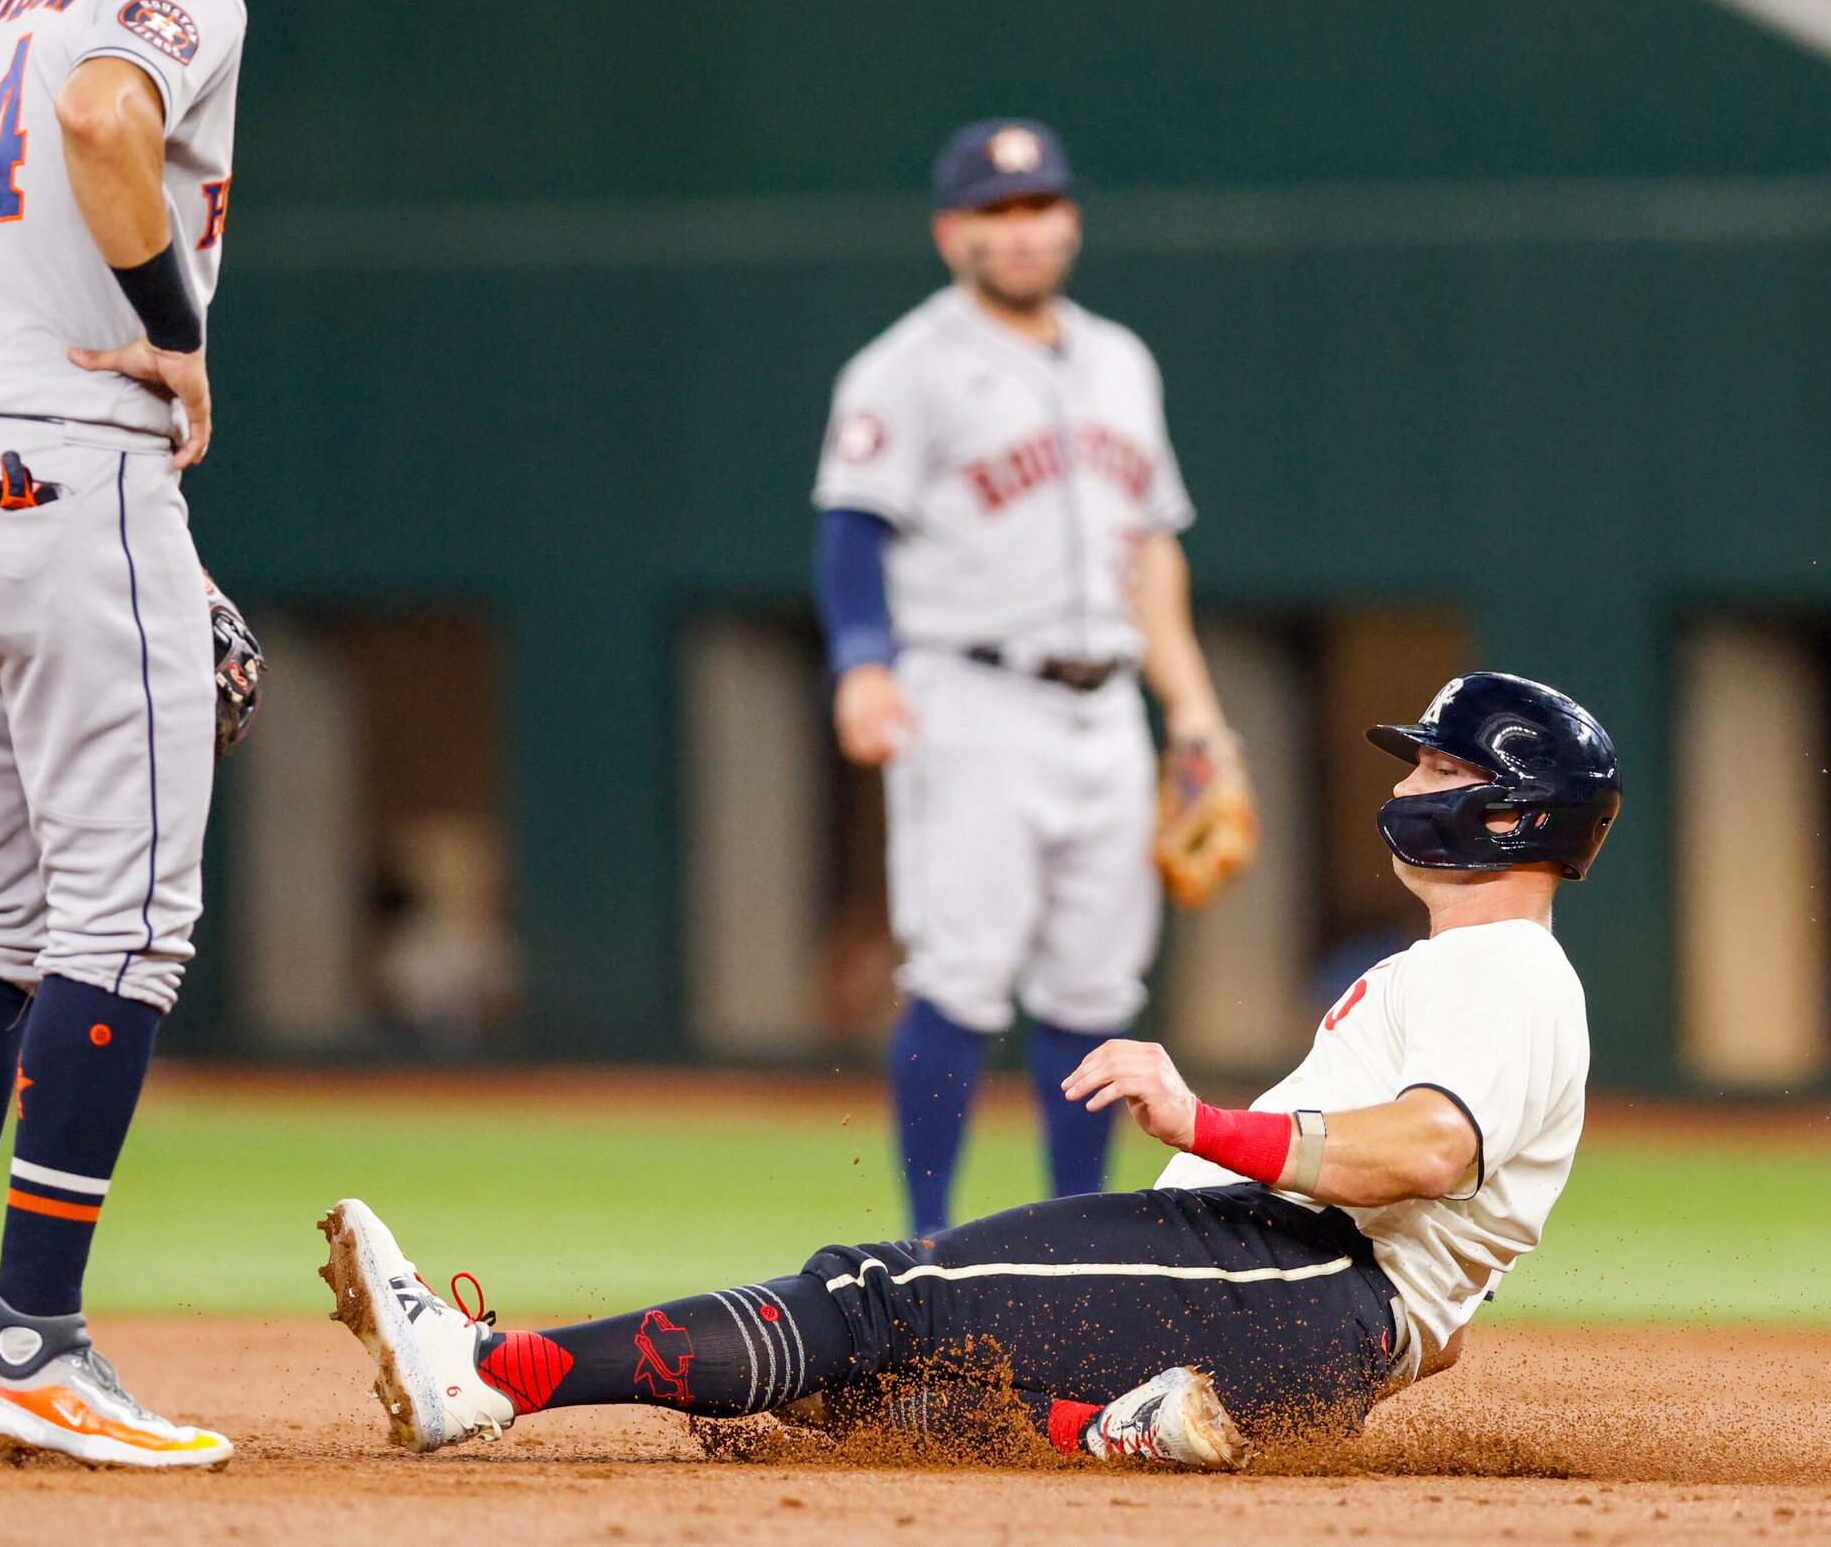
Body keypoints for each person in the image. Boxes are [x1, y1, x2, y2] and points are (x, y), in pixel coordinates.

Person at [320, 674, 1617, 1469]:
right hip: (1307, 1313)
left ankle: (486, 1369)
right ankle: (1124, 1432)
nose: (1418, 780)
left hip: (1277, 1266)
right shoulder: (1486, 974)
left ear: (1512, 807)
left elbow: (1432, 1148)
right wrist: (1365, 1347)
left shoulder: (1501, 969)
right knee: (878, 1393)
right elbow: (1445, 1260)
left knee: (870, 1300)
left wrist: (1200, 1119)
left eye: (1446, 764)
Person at [0, 0, 396, 1468]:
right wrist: (173, 317)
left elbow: (50, 130)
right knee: (127, 916)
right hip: (70, 465)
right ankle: (34, 1336)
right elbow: (106, 121)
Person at [812, 118, 1243, 1237]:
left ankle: (1072, 1242)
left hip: (1106, 708)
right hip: (969, 697)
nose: (1021, 230)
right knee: (958, 975)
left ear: (1070, 219)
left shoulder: (1119, 360)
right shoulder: (902, 368)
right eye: (994, 213)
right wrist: (863, 665)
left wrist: (1192, 709)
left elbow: (1150, 547)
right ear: (950, 232)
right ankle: (923, 1242)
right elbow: (851, 533)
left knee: (1096, 990)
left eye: (1038, 206)